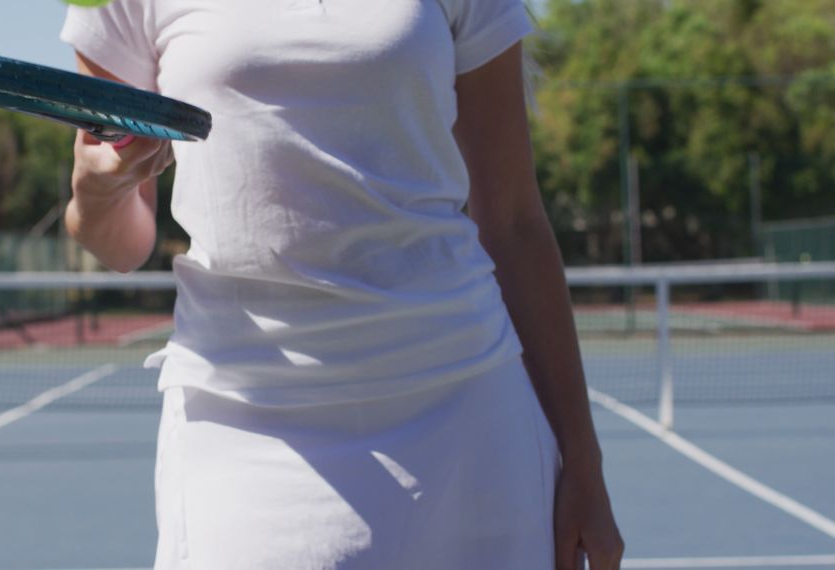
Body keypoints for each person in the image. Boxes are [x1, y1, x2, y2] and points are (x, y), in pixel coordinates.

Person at [60, 1, 623, 568]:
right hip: (246, 421)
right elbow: (122, 244)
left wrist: (583, 460)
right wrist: (99, 192)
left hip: (470, 413)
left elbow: (513, 219)